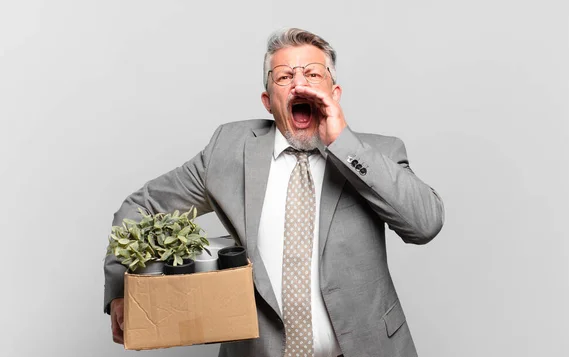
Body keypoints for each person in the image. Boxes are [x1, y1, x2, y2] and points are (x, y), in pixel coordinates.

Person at [104, 28, 444, 357]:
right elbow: (143, 206)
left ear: (334, 93)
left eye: (312, 74)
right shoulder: (229, 150)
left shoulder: (375, 154)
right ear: (268, 101)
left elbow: (424, 224)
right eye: (284, 77)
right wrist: (123, 290)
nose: (299, 84)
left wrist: (344, 143)